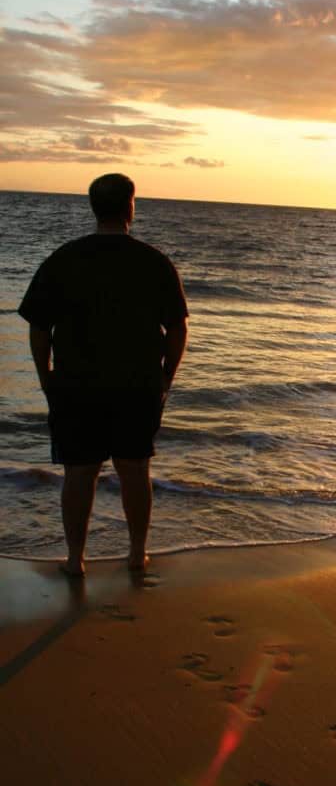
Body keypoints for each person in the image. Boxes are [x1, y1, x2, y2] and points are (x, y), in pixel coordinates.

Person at [18, 173, 188, 577]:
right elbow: (177, 327)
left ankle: (76, 559)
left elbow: (39, 327)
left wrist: (46, 378)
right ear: (131, 207)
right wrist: (166, 376)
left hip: (76, 385)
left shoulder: (64, 259)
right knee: (134, 469)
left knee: (79, 472)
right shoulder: (154, 261)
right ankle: (135, 554)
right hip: (137, 384)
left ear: (93, 207)